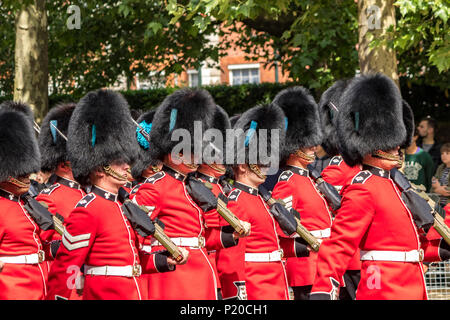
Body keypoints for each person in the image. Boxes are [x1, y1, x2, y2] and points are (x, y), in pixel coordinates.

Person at [310, 73, 450, 300]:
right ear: (373, 143)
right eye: (391, 142)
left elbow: (404, 245)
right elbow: (339, 245)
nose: (397, 148)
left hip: (412, 285)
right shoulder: (364, 187)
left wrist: (438, 250)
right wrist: (323, 289)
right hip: (383, 288)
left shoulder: (394, 184)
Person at [45, 89, 187, 300]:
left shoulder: (123, 204)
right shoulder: (89, 209)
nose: (126, 166)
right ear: (100, 168)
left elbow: (131, 259)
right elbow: (67, 266)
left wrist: (161, 261)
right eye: (119, 161)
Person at [133, 88, 243, 300]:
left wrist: (228, 237)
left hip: (201, 274)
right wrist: (159, 261)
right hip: (174, 280)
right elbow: (137, 238)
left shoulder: (193, 186)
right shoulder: (155, 186)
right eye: (187, 151)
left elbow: (198, 238)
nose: (195, 156)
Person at [223, 102, 310, 300]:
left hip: (276, 283)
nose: (265, 167)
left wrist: (299, 248)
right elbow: (232, 256)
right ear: (243, 166)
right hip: (256, 288)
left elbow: (269, 245)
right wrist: (237, 294)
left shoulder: (262, 198)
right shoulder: (236, 201)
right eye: (260, 162)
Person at [270, 86, 332, 300]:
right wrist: (309, 248)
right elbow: (282, 230)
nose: (314, 147)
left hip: (324, 264)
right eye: (307, 144)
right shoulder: (288, 182)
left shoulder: (311, 178)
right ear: (294, 145)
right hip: (306, 269)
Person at [0, 101, 57, 299]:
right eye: (20, 172)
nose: (27, 176)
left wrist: (55, 248)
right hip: (12, 289)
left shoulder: (25, 202)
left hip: (40, 286)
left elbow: (35, 246)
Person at [403, 128, 435, 192]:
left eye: (407, 136)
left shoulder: (424, 156)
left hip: (421, 195)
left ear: (415, 137)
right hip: (403, 194)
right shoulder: (398, 156)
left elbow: (429, 178)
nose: (405, 139)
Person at [432, 143, 450, 207]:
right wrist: (437, 189)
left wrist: (439, 189)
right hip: (439, 204)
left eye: (447, 153)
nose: (444, 156)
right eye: (442, 153)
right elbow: (433, 182)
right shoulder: (441, 167)